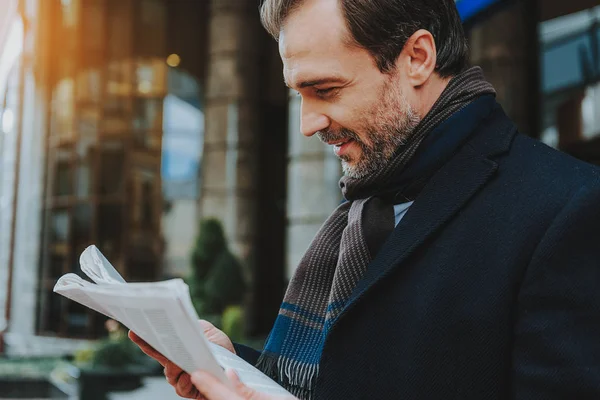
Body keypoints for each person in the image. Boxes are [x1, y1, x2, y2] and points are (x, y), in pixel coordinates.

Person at [131, 0, 600, 398]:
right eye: (299, 94)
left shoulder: (569, 209)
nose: (307, 124)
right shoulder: (375, 197)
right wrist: (237, 368)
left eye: (325, 90)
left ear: (417, 57)